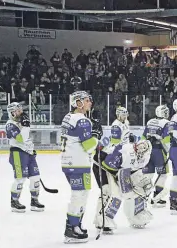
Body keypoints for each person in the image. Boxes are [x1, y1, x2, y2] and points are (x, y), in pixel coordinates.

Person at [60, 91, 101, 243]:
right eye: (87, 100)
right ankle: (71, 230)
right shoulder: (82, 120)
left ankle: (76, 226)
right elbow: (89, 146)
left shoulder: (68, 117)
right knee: (79, 196)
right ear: (78, 103)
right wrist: (96, 136)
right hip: (78, 163)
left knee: (81, 194)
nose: (90, 102)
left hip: (69, 162)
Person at [94, 140, 154, 231]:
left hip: (120, 169)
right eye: (140, 146)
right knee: (111, 192)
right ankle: (102, 218)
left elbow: (134, 170)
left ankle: (136, 214)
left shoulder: (146, 158)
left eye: (144, 148)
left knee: (141, 186)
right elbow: (109, 166)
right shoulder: (125, 151)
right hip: (103, 166)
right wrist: (122, 182)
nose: (141, 149)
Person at [5, 102, 44, 213]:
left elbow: (26, 140)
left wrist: (31, 149)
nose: (21, 112)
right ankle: (14, 201)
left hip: (28, 153)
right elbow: (21, 138)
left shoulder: (22, 122)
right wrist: (26, 126)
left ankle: (34, 201)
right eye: (18, 110)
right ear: (12, 113)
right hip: (17, 153)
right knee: (20, 178)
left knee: (35, 177)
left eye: (20, 109)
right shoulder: (10, 124)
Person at [142, 105, 172, 208]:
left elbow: (143, 137)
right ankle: (157, 197)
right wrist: (169, 150)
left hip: (148, 151)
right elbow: (167, 140)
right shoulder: (166, 123)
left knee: (148, 175)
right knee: (162, 174)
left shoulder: (150, 122)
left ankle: (143, 196)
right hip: (159, 151)